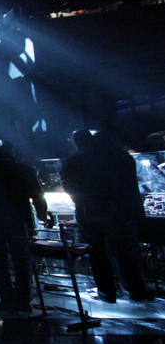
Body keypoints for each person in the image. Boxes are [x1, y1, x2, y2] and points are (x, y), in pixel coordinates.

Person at [60, 129, 154, 302]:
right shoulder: (119, 155)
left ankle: (106, 292)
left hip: (90, 212)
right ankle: (135, 291)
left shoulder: (73, 160)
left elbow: (70, 187)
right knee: (124, 252)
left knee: (97, 253)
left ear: (75, 142)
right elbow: (131, 184)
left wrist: (86, 203)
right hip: (119, 211)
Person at [0, 140, 49, 313]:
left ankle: (7, 300)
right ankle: (24, 301)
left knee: (0, 262)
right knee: (22, 261)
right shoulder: (26, 170)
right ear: (12, 152)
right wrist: (42, 216)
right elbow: (38, 196)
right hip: (18, 222)